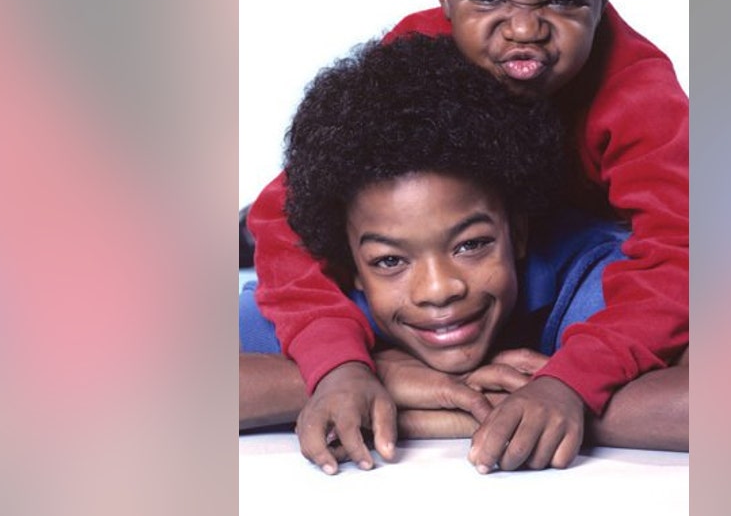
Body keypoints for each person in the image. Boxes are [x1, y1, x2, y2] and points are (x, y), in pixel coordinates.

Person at [246, 0, 689, 473]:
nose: (523, 29)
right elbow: (287, 216)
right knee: (287, 244)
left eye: (562, 1)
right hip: (455, 247)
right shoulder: (417, 51)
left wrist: (571, 380)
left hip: (563, 254)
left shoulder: (641, 93)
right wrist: (344, 365)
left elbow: (681, 251)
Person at [240, 35, 688, 472]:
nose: (438, 290)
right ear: (350, 266)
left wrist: (557, 401)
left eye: (471, 245)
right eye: (390, 260)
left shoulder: (590, 282)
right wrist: (362, 375)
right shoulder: (331, 305)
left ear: (518, 233)